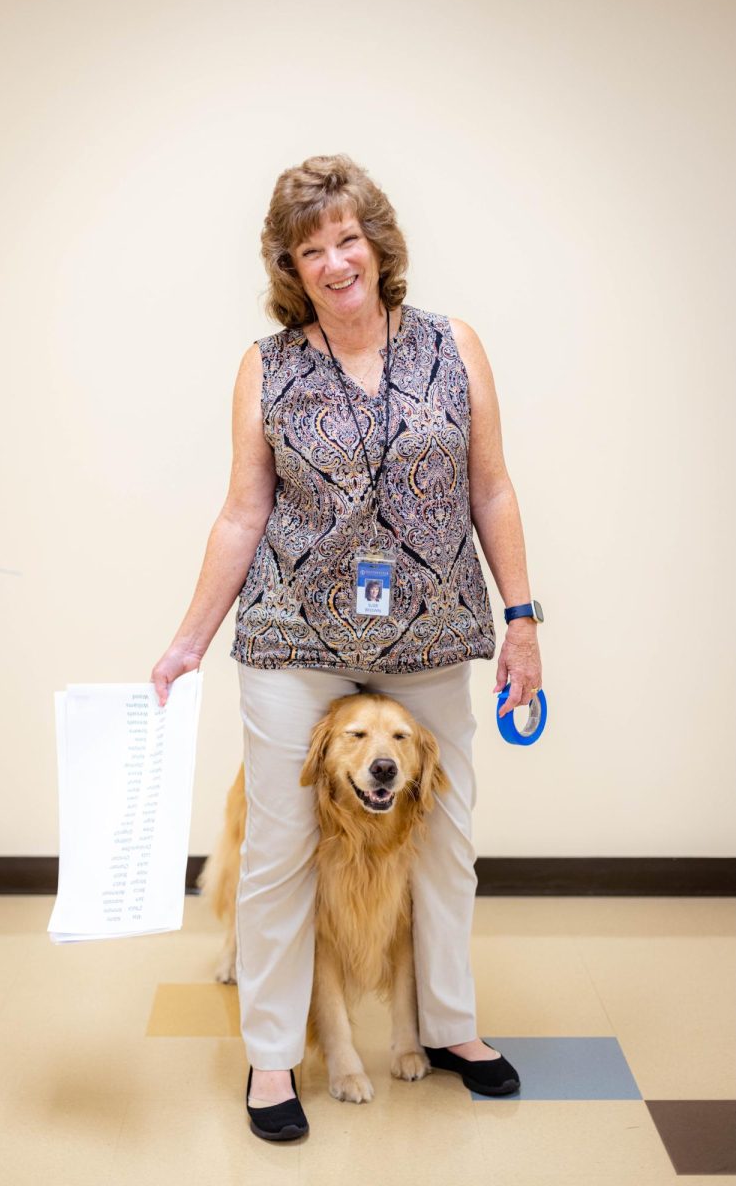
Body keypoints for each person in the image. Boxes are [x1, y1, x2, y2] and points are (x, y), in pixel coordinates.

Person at [151, 154, 543, 1141]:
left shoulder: (456, 347)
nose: (333, 262)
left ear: (379, 242)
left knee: (445, 844)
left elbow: (491, 489)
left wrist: (524, 620)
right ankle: (275, 1059)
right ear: (291, 268)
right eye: (309, 249)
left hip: (432, 629)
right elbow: (244, 515)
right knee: (282, 852)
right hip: (294, 637)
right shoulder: (268, 365)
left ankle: (448, 1026)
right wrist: (188, 641)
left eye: (346, 239)